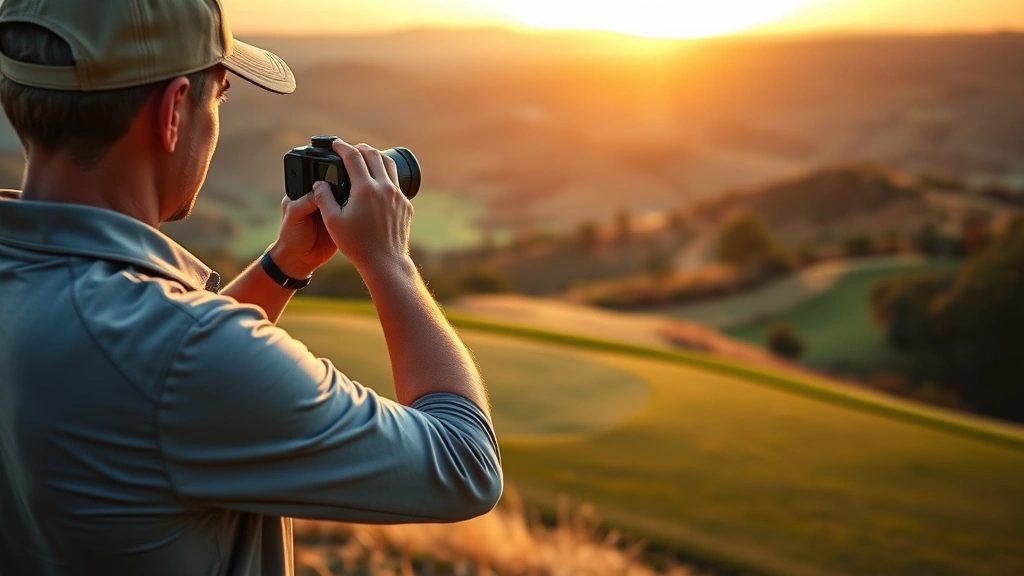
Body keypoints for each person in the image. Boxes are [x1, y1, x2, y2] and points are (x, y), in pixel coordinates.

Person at [0, 0, 502, 574]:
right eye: (219, 96)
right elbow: (465, 465)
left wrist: (283, 266)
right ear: (172, 111)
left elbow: (144, 379)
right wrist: (389, 262)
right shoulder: (184, 354)